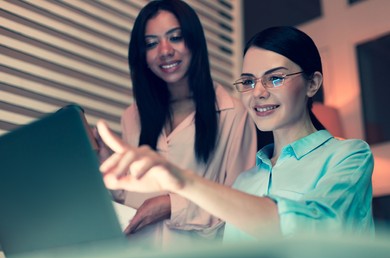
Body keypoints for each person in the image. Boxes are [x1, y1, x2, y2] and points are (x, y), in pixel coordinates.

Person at [97, 26, 374, 243]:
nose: (258, 92)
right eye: (248, 81)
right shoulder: (246, 180)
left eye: (275, 78)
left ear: (312, 83)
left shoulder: (349, 156)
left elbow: (309, 230)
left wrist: (183, 181)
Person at [101, 0, 256, 248]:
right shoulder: (132, 115)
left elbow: (242, 206)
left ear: (194, 42)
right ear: (142, 56)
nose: (164, 50)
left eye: (175, 37)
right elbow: (129, 196)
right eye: (151, 43)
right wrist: (102, 161)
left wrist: (171, 205)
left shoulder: (233, 113)